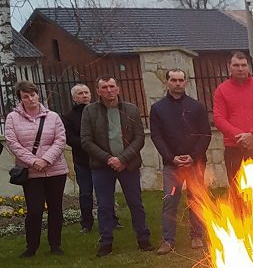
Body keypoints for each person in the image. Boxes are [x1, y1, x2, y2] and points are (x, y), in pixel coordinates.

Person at [81, 77, 152, 256]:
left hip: (128, 165)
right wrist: (108, 159)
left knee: (135, 203)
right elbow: (86, 141)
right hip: (102, 166)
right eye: (104, 87)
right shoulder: (90, 111)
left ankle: (143, 239)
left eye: (112, 86)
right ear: (98, 91)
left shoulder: (131, 109)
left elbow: (139, 138)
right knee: (104, 205)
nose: (109, 90)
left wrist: (122, 159)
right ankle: (106, 242)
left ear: (118, 89)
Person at [149, 69, 211, 253]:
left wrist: (193, 156)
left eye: (181, 80)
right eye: (174, 80)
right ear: (167, 82)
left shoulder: (197, 106)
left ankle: (196, 235)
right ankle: (168, 240)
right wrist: (171, 158)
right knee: (170, 200)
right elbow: (157, 136)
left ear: (186, 82)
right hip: (172, 165)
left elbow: (205, 134)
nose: (178, 83)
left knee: (196, 199)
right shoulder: (158, 108)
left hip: (195, 163)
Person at [4, 81, 68, 257]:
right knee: (34, 210)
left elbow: (60, 140)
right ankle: (31, 246)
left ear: (38, 95)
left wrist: (46, 160)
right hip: (31, 172)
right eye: (26, 96)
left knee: (55, 209)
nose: (31, 99)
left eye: (33, 95)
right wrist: (33, 161)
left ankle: (55, 245)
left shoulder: (53, 117)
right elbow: (13, 143)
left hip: (55, 170)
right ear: (20, 99)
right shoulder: (12, 118)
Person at [211, 51, 253, 217]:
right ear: (229, 67)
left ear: (249, 67)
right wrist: (240, 136)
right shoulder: (222, 90)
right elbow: (219, 118)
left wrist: (252, 135)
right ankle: (242, 225)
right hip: (234, 148)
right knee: (237, 189)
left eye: (243, 65)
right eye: (236, 65)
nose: (240, 69)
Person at [63, 83, 96, 233]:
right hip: (82, 161)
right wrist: (89, 144)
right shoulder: (68, 117)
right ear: (74, 98)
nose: (84, 96)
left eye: (86, 92)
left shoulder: (98, 112)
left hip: (101, 159)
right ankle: (86, 224)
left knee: (105, 192)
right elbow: (70, 139)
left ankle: (111, 219)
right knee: (85, 193)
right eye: (80, 93)